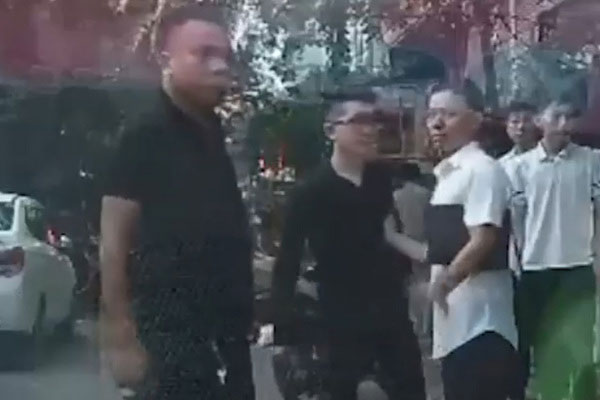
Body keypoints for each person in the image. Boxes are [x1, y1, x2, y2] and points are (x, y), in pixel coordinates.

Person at [99, 4, 255, 400]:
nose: (220, 66)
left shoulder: (212, 133)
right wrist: (120, 335)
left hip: (224, 335)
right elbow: (113, 241)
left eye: (225, 56)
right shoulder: (144, 135)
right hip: (168, 336)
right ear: (164, 58)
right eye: (203, 54)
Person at [268, 88, 426, 400]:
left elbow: (388, 235)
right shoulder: (310, 191)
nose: (370, 129)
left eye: (374, 121)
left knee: (410, 387)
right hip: (339, 314)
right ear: (332, 131)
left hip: (389, 306)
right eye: (359, 121)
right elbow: (288, 258)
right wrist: (280, 323)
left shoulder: (380, 179)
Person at [384, 84, 519, 400]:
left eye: (449, 114)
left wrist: (442, 285)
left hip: (482, 324)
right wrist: (391, 236)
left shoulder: (481, 170)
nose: (436, 123)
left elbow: (484, 238)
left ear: (476, 120)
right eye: (432, 114)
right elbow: (440, 253)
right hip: (455, 325)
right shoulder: (448, 176)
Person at [507, 95, 600, 400]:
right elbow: (517, 221)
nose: (564, 124)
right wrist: (518, 260)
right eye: (557, 117)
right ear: (540, 121)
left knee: (581, 343)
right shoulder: (519, 168)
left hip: (578, 266)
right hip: (535, 267)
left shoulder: (591, 161)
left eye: (570, 117)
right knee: (532, 341)